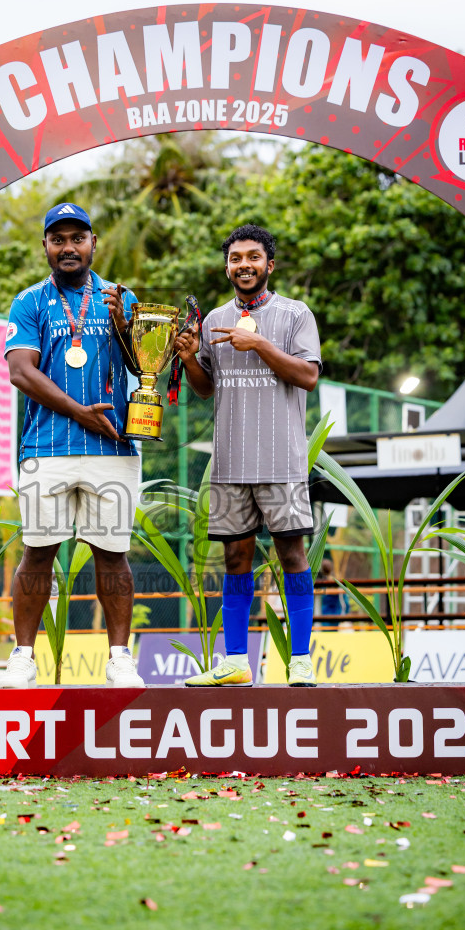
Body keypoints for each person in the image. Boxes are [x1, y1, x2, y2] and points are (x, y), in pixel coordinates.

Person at [0, 202, 144, 688]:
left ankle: (120, 658)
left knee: (112, 554)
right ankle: (23, 657)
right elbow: (21, 371)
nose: (68, 248)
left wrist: (127, 327)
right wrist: (79, 411)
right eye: (58, 239)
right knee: (38, 552)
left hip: (113, 449)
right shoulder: (29, 301)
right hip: (47, 448)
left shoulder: (120, 297)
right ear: (45, 245)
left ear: (93, 243)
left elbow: (145, 365)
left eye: (77, 238)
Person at [174, 224, 321, 686]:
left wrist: (258, 343)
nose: (244, 265)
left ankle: (301, 659)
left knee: (292, 556)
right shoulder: (214, 318)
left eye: (253, 257)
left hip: (282, 462)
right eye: (235, 258)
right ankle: (237, 661)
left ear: (269, 265)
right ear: (227, 268)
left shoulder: (295, 314)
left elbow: (308, 376)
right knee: (236, 560)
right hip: (230, 464)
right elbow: (205, 389)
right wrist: (189, 358)